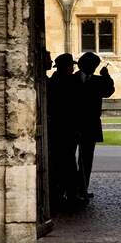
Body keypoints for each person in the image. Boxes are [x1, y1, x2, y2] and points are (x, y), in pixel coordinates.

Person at [74, 51, 115, 201]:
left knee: (86, 159)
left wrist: (107, 76)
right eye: (92, 65)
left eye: (95, 66)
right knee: (70, 159)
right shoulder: (72, 80)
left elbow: (109, 91)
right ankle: (73, 189)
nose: (94, 68)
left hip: (91, 126)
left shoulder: (99, 81)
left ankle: (83, 188)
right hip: (73, 125)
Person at [47, 53, 79, 207]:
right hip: (64, 129)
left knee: (63, 162)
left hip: (61, 128)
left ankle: (62, 193)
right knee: (67, 163)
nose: (72, 68)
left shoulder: (55, 80)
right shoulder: (65, 82)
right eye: (70, 66)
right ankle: (69, 195)